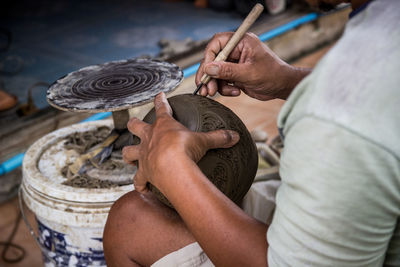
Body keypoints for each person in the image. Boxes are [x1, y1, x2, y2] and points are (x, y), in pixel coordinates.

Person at [103, 0, 400, 266]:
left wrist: (173, 168)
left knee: (128, 223)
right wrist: (288, 80)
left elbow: (356, 110)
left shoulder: (339, 119)